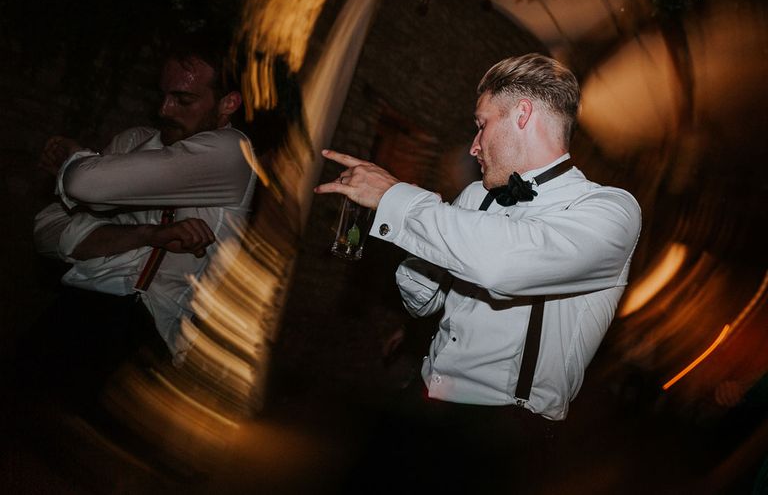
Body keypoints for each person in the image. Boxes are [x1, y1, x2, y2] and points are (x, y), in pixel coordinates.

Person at [316, 53, 641, 489]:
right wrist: (418, 241)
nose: (474, 145)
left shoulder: (609, 211)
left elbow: (503, 266)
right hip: (424, 398)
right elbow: (424, 303)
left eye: (482, 123)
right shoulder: (476, 194)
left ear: (522, 114)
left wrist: (399, 200)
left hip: (502, 434)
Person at [31, 37, 257, 382]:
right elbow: (46, 230)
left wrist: (77, 158)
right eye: (163, 95)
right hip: (74, 306)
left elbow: (82, 185)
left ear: (228, 103)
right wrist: (146, 235)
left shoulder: (233, 154)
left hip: (148, 333)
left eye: (183, 99)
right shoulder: (132, 142)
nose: (165, 110)